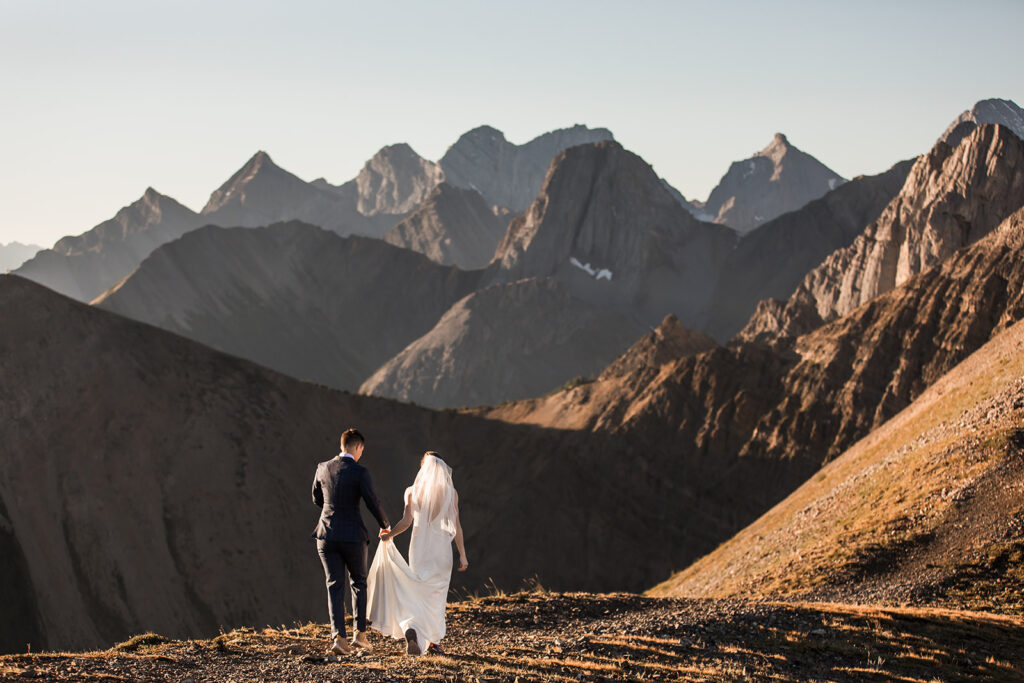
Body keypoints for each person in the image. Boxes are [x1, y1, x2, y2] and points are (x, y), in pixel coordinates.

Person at [367, 451, 468, 655]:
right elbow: (457, 526)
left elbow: (406, 522)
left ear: (423, 467)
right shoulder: (451, 493)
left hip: (420, 550)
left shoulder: (412, 491)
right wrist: (463, 555)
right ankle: (433, 641)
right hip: (441, 552)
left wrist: (389, 535)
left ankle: (412, 630)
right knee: (436, 597)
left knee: (416, 590)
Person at [312, 428, 390, 656]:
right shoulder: (360, 472)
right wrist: (384, 524)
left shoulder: (322, 468)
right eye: (361, 450)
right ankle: (360, 636)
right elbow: (372, 501)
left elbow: (317, 498)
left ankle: (339, 639)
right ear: (357, 447)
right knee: (358, 582)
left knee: (334, 584)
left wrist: (332, 511)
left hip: (326, 534)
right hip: (353, 536)